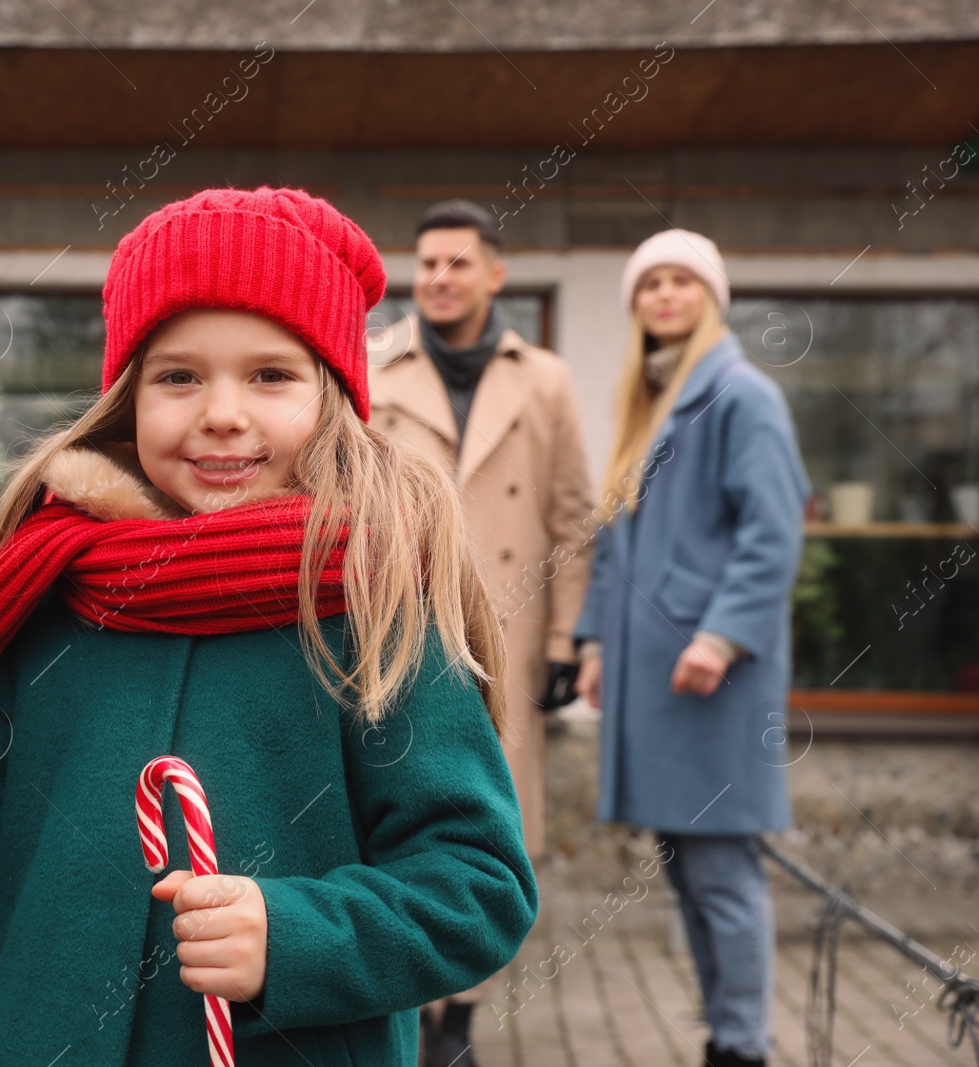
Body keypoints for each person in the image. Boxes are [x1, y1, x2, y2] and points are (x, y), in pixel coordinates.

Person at [0, 187, 539, 1067]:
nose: (221, 412)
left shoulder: (375, 606)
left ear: (334, 396)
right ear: (128, 397)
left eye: (270, 374)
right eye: (178, 375)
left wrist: (293, 935)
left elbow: (477, 886)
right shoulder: (57, 594)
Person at [572, 229, 808, 1067]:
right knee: (686, 865)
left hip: (712, 679)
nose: (664, 295)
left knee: (722, 870)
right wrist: (595, 641)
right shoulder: (648, 403)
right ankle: (726, 1037)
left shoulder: (742, 395)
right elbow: (616, 545)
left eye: (682, 281)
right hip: (656, 679)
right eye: (650, 282)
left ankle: (744, 1046)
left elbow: (773, 532)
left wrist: (721, 634)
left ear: (711, 297)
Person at [367, 200, 594, 1066]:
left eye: (459, 262)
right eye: (427, 263)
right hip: (400, 629)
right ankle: (413, 1007)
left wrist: (569, 641)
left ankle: (460, 1022)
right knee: (397, 806)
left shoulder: (545, 379)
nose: (440, 277)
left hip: (508, 633)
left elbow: (574, 519)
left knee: (490, 823)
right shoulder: (379, 370)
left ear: (495, 274)